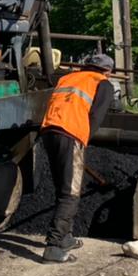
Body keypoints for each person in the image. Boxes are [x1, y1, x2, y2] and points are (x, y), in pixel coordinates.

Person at [39, 53, 117, 263]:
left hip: (48, 131)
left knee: (61, 187)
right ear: (108, 71)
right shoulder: (103, 84)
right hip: (71, 134)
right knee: (70, 192)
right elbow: (96, 117)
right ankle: (53, 246)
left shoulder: (67, 78)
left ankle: (65, 237)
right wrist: (84, 138)